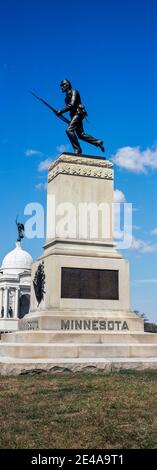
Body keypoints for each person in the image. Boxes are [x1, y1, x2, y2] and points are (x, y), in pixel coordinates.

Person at [57, 79, 105, 155]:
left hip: (78, 113)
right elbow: (70, 109)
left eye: (63, 85)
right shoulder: (66, 99)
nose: (61, 87)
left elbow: (72, 104)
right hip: (74, 116)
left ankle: (77, 150)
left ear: (67, 85)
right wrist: (62, 114)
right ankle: (97, 142)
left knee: (69, 130)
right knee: (81, 135)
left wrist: (61, 111)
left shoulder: (74, 91)